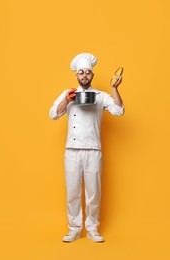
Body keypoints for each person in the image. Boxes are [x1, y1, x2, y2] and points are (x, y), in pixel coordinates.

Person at [49, 53, 124, 243]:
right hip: (72, 150)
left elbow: (119, 110)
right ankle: (74, 229)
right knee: (72, 193)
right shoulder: (68, 93)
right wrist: (67, 100)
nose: (84, 75)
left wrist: (114, 88)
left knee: (94, 193)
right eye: (81, 72)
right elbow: (53, 114)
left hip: (94, 150)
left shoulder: (99, 96)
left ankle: (92, 229)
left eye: (88, 73)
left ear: (92, 75)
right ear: (76, 75)